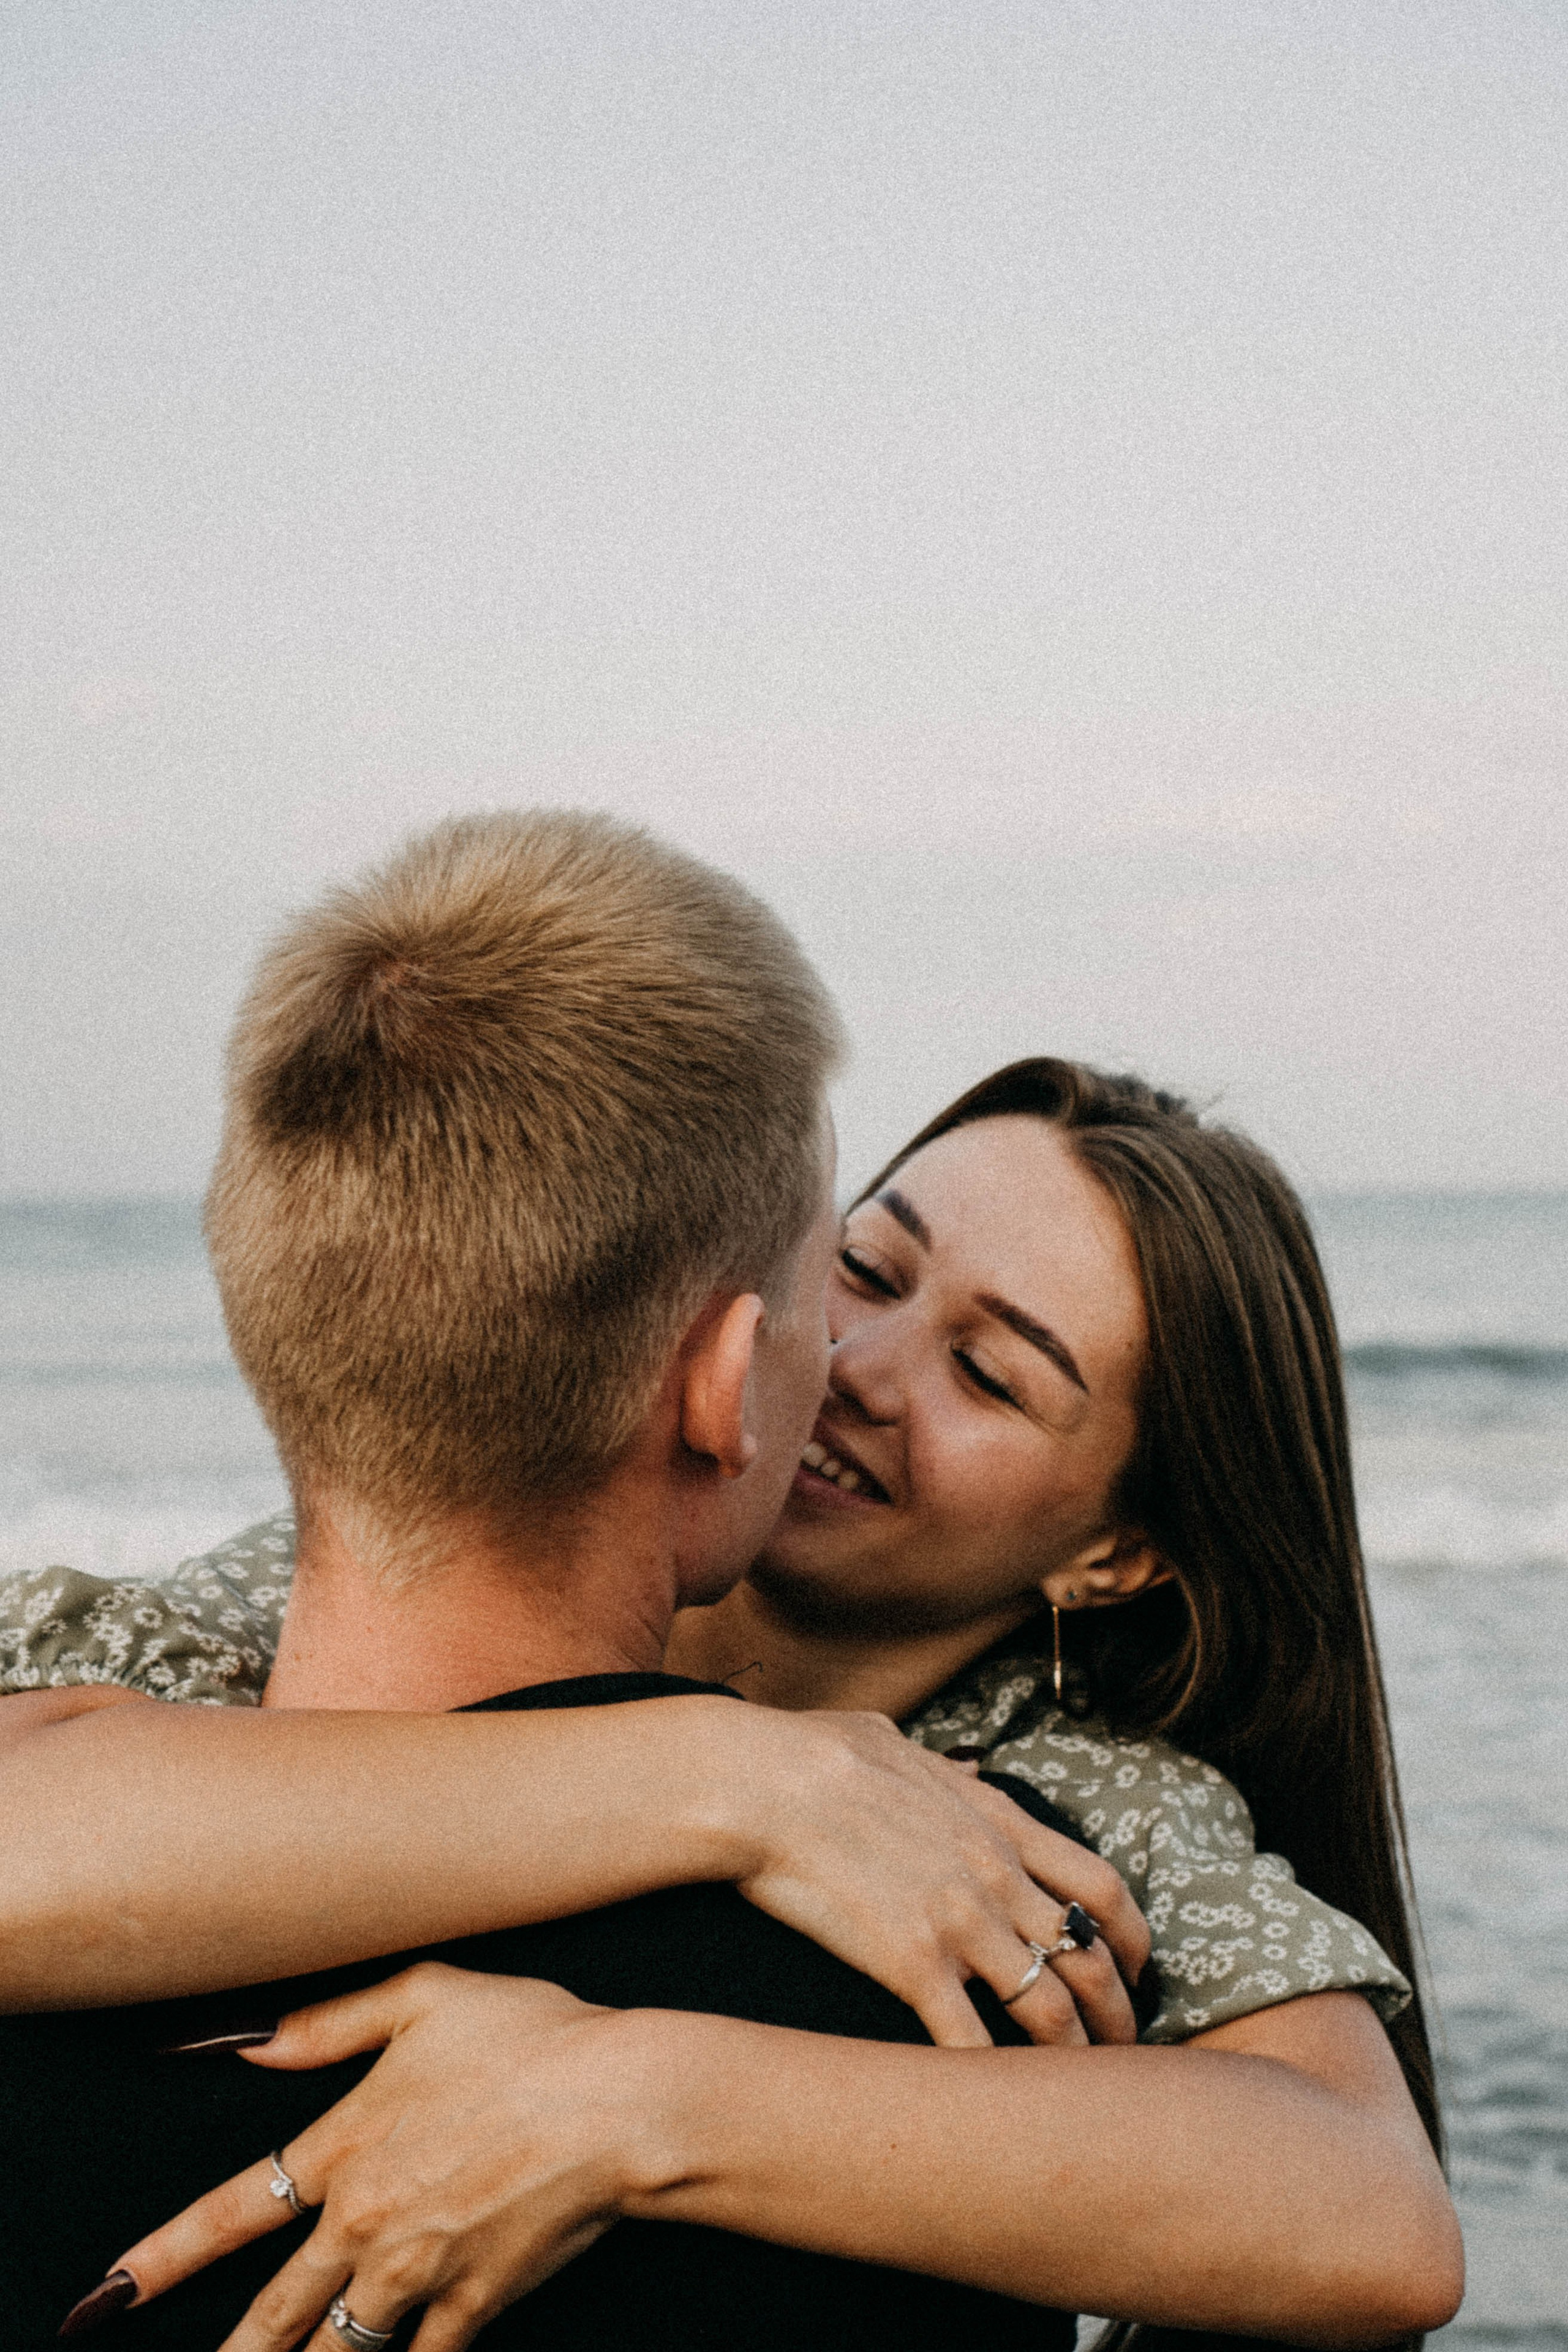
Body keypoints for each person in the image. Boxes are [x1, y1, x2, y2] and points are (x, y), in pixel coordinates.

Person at [0, 816, 1461, 2348]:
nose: (857, 1366)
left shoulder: (1074, 1813)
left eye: (986, 1372)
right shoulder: (302, 1597)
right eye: (867, 1271)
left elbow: (1370, 2216)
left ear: (1116, 1549)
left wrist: (633, 2092)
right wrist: (733, 1779)